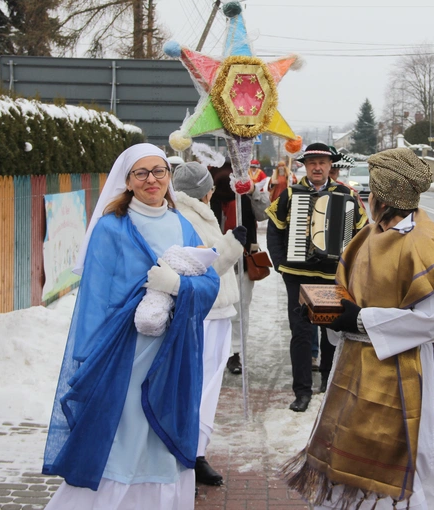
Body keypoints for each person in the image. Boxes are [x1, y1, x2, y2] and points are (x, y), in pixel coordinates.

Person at [281, 147, 434, 509]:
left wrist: (358, 319)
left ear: (380, 196)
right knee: (348, 455)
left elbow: (432, 321)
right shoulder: (369, 234)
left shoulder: (425, 242)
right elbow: (349, 293)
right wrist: (327, 313)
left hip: (406, 371)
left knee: (405, 472)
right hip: (355, 363)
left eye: (371, 193)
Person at [43, 144, 220, 509]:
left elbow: (209, 280)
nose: (152, 179)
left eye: (159, 171)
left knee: (159, 437)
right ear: (127, 181)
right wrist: (88, 362)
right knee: (124, 433)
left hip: (170, 353)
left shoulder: (181, 224)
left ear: (169, 177)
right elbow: (93, 298)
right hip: (124, 354)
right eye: (141, 173)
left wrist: (178, 287)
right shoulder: (110, 228)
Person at [266, 142, 368, 412]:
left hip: (332, 276)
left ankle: (328, 384)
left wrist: (350, 265)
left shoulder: (347, 195)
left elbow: (362, 232)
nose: (317, 167)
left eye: (322, 162)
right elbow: (274, 229)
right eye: (312, 163)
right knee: (301, 333)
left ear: (330, 165)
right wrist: (280, 263)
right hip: (298, 276)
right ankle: (301, 391)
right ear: (305, 166)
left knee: (332, 332)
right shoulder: (291, 194)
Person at [172, 161, 249, 486]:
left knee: (204, 384)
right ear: (207, 190)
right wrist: (233, 244)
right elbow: (202, 265)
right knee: (201, 386)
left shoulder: (189, 213)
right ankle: (192, 453)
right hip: (206, 311)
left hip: (211, 310)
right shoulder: (189, 217)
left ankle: (193, 450)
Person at [209, 159, 271, 375]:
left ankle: (234, 352)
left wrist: (253, 189)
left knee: (240, 308)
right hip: (214, 261)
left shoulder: (245, 195)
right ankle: (214, 350)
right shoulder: (209, 198)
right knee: (214, 308)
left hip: (243, 260)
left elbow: (265, 212)